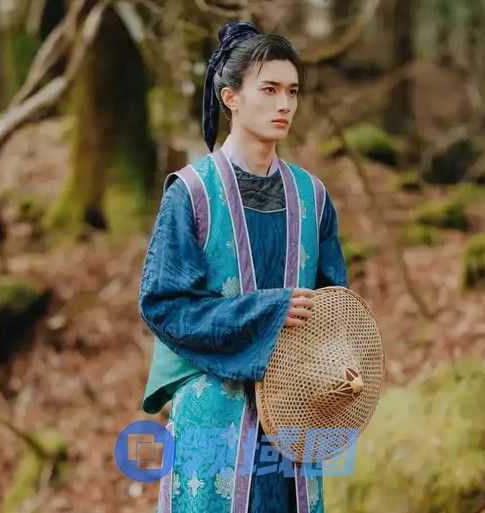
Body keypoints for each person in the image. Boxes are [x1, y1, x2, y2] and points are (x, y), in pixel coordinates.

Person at [138, 20, 348, 513]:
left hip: (295, 418)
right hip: (214, 416)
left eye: (292, 91)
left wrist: (339, 360)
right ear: (230, 97)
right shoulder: (192, 193)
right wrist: (268, 312)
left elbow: (332, 306)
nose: (284, 104)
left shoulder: (313, 197)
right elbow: (164, 305)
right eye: (269, 90)